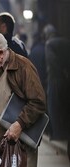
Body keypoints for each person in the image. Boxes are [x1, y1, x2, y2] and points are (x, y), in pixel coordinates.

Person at [0, 30, 46, 167]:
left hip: (21, 147)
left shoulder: (23, 67)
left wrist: (19, 124)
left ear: (1, 53)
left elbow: (38, 102)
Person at [44, 24, 70, 161]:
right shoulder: (65, 42)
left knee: (55, 108)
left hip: (55, 80)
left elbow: (52, 62)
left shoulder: (49, 44)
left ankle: (59, 132)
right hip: (66, 80)